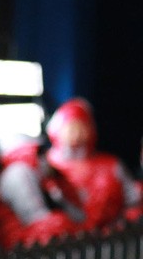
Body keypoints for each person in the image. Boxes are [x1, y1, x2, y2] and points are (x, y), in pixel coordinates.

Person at [44, 97, 142, 233]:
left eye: (82, 126)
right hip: (65, 237)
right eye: (71, 128)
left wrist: (125, 223)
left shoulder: (111, 165)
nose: (77, 133)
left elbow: (134, 199)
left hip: (111, 235)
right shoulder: (47, 165)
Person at [0, 133, 84, 249]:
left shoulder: (41, 178)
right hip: (19, 250)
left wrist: (59, 182)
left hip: (31, 247)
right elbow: (38, 221)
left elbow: (80, 218)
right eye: (39, 152)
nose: (45, 157)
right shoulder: (17, 173)